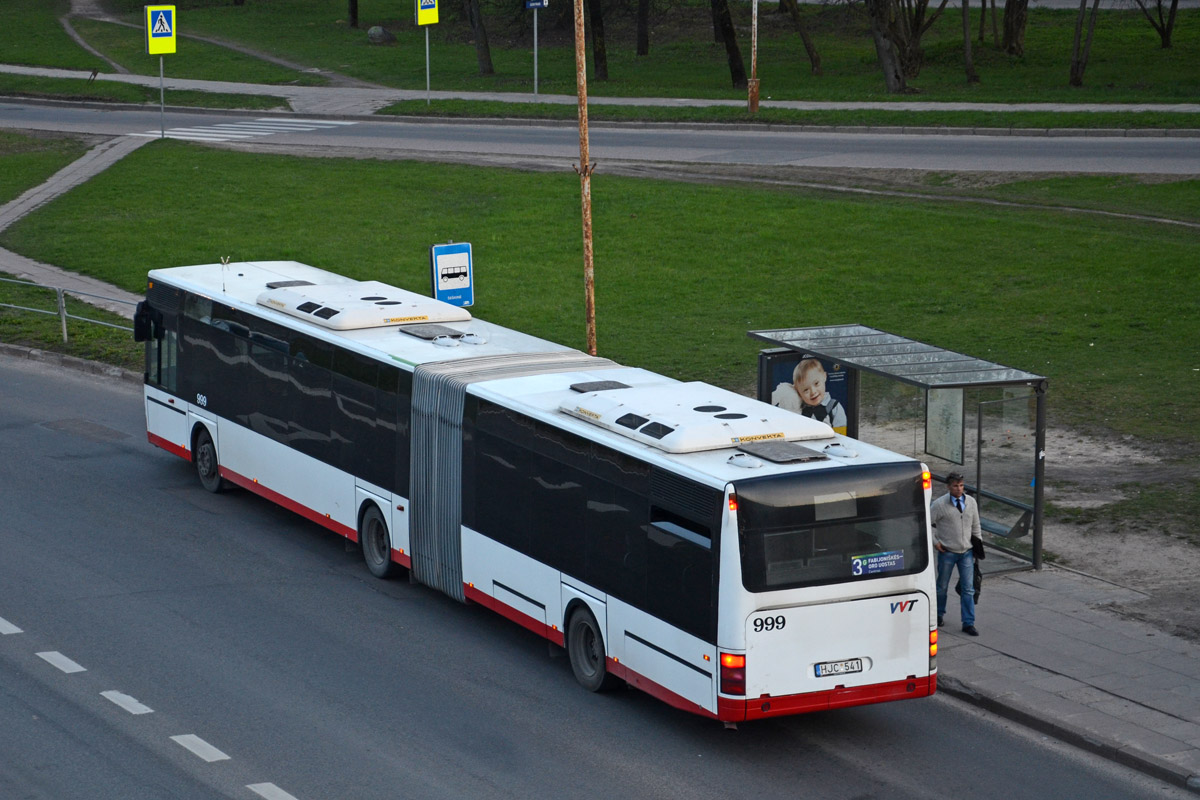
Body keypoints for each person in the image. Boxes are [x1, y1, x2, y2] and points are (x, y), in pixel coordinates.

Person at [930, 472, 981, 636]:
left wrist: (977, 545)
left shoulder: (971, 502)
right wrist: (935, 542)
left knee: (968, 589)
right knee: (942, 587)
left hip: (966, 551)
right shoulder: (939, 505)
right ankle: (938, 615)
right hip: (947, 552)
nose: (959, 489)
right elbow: (927, 524)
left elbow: (976, 525)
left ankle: (968, 622)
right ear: (948, 487)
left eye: (961, 486)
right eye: (955, 486)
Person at [770, 358, 847, 433]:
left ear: (824, 376)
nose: (813, 392)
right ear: (798, 392)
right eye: (806, 390)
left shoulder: (834, 407)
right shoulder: (798, 408)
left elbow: (842, 435)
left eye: (816, 383)